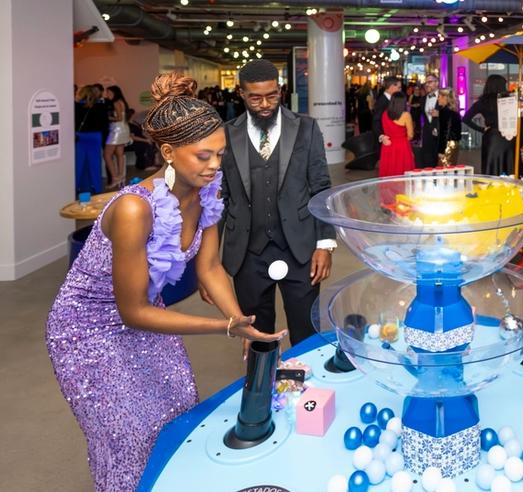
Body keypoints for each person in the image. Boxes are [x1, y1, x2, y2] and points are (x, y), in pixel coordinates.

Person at [47, 73, 286, 491]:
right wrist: (223, 327)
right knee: (128, 435)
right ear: (168, 151)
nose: (215, 166)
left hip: (145, 314)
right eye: (203, 156)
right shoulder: (134, 210)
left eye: (220, 155)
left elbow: (210, 269)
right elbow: (132, 311)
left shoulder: (207, 194)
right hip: (87, 331)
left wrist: (240, 320)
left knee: (176, 412)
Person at [215, 59, 336, 347]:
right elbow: (220, 199)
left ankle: (310, 390)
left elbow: (321, 187)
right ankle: (262, 389)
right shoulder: (227, 134)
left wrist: (324, 244)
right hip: (247, 253)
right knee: (256, 336)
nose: (265, 104)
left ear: (280, 90)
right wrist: (209, 262)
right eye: (255, 98)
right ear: (241, 94)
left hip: (300, 248)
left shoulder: (306, 128)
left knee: (307, 332)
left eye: (272, 95)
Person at [463, 74, 514, 175]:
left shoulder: (482, 101)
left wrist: (482, 129)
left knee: (491, 167)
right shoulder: (508, 100)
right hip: (509, 135)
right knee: (508, 167)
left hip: (492, 137)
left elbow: (466, 118)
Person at [74, 85, 109, 194]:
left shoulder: (76, 106)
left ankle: (78, 188)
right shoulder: (101, 106)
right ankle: (96, 188)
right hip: (95, 137)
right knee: (94, 164)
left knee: (79, 164)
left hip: (80, 137)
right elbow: (105, 125)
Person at [379, 92, 416, 177]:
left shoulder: (385, 114)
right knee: (402, 172)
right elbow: (410, 135)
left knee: (389, 171)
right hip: (402, 146)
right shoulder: (406, 115)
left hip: (388, 145)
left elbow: (384, 129)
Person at [103, 85, 132, 189]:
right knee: (120, 154)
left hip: (117, 130)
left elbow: (119, 118)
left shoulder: (116, 102)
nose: (107, 95)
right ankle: (121, 177)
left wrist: (108, 118)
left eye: (109, 93)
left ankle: (115, 178)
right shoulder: (122, 101)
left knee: (107, 155)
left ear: (115, 93)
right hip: (123, 128)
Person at [373, 76, 402, 154]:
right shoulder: (382, 101)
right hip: (386, 139)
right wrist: (381, 136)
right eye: (399, 88)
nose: (400, 90)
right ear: (392, 87)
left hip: (393, 138)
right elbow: (376, 121)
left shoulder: (392, 99)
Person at [434, 88, 462, 166]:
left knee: (443, 171)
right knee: (450, 169)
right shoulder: (454, 112)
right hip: (454, 144)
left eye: (439, 96)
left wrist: (441, 151)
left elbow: (445, 132)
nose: (438, 99)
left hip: (447, 145)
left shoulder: (444, 112)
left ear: (445, 97)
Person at [418, 74, 441, 168]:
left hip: (441, 134)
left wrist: (440, 114)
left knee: (441, 163)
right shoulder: (423, 99)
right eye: (426, 82)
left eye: (430, 82)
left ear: (437, 83)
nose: (427, 85)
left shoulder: (445, 96)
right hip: (427, 134)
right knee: (427, 161)